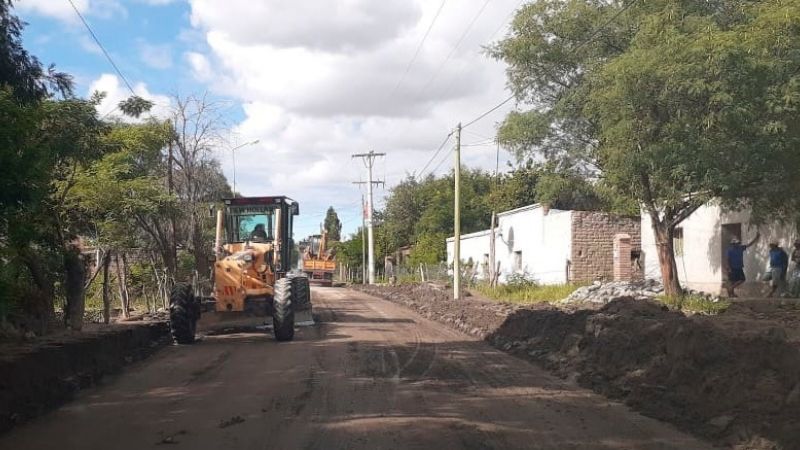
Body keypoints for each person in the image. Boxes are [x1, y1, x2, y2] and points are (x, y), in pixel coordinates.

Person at [726, 232, 759, 298]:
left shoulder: (740, 248)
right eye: (736, 243)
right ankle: (731, 294)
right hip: (733, 267)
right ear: (733, 244)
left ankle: (731, 290)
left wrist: (756, 238)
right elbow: (727, 259)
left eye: (737, 243)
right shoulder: (730, 250)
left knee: (740, 280)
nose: (737, 244)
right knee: (737, 280)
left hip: (738, 267)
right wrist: (729, 267)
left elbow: (749, 244)